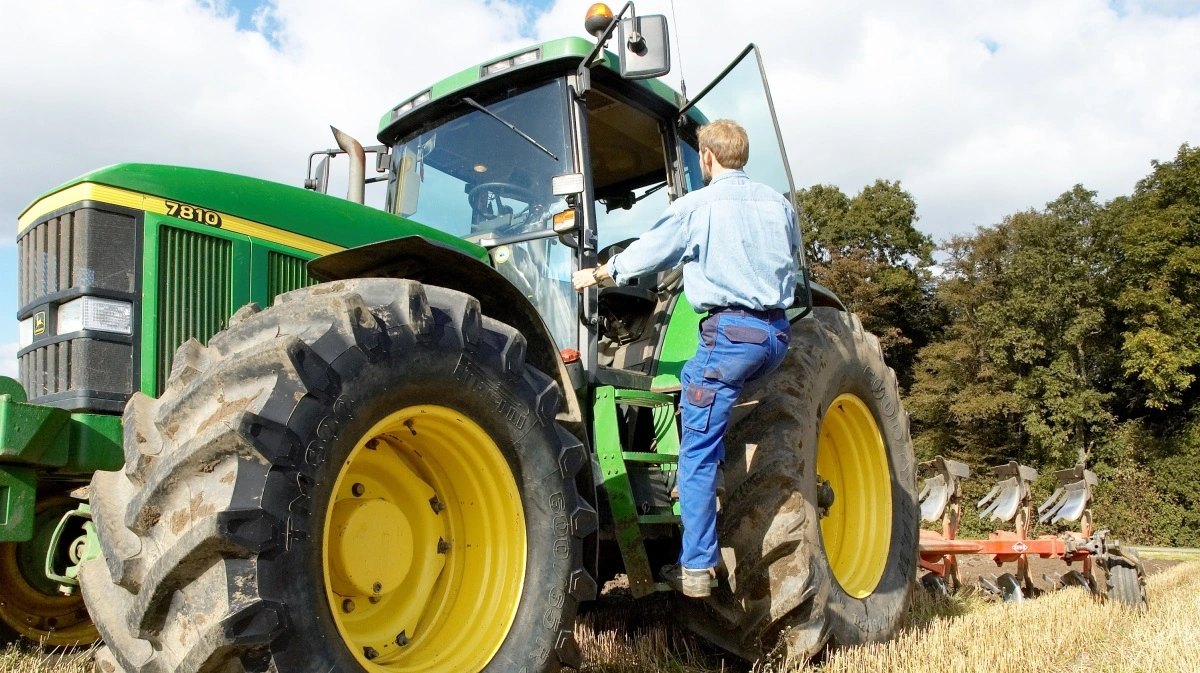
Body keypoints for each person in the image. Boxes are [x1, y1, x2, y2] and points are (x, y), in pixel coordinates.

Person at [572, 119, 799, 598]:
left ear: (708, 159)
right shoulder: (778, 204)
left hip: (730, 335)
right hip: (777, 336)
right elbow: (792, 260)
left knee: (694, 449)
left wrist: (600, 274)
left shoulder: (697, 206)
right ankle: (713, 479)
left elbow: (647, 255)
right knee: (713, 411)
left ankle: (696, 566)